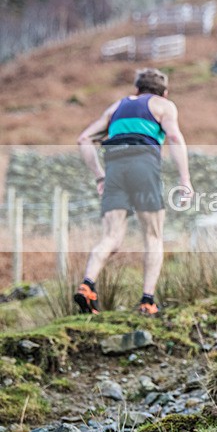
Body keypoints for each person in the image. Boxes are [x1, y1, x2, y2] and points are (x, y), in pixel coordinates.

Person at [75, 68, 193, 316]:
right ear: (164, 92)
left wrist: (100, 176)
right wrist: (185, 179)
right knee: (153, 236)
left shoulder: (117, 106)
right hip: (144, 165)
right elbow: (174, 136)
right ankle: (147, 301)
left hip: (115, 167)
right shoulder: (164, 105)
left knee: (111, 236)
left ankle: (87, 285)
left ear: (137, 90)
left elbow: (84, 139)